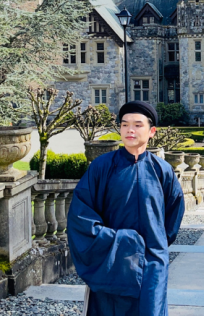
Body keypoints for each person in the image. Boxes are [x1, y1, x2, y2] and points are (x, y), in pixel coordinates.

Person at [67, 101, 185, 316]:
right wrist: (121, 241)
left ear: (152, 131)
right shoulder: (101, 167)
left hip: (151, 263)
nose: (130, 130)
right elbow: (81, 215)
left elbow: (173, 216)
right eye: (124, 124)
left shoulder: (163, 171)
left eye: (138, 125)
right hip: (112, 260)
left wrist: (153, 246)